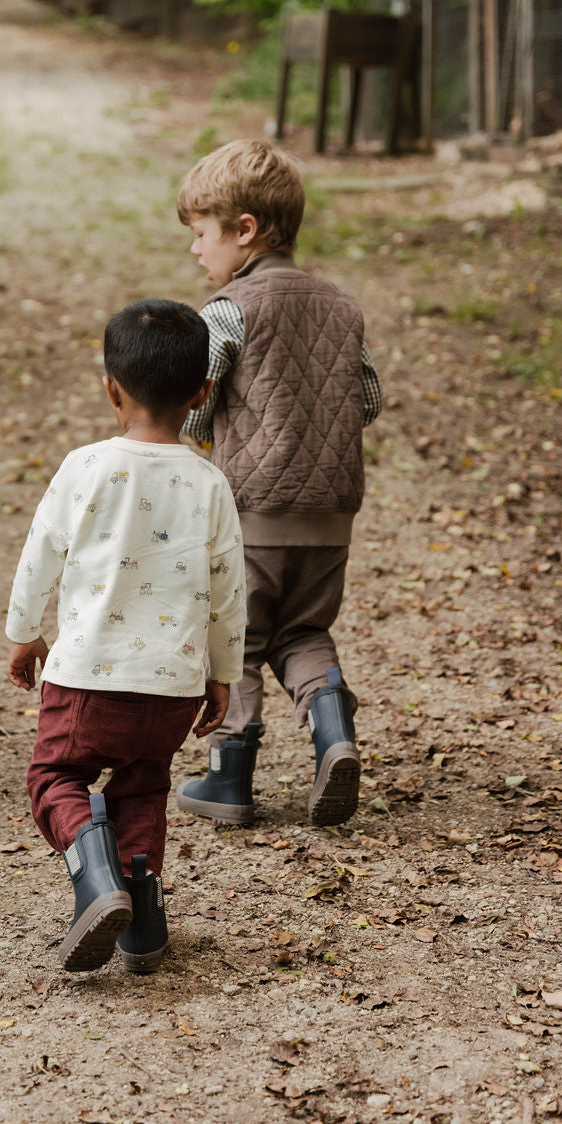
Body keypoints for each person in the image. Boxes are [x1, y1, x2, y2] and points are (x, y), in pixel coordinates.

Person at [5, 300, 245, 973]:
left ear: (110, 387)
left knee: (56, 775)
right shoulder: (210, 482)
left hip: (88, 679)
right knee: (142, 789)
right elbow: (229, 591)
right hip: (171, 689)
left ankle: (94, 872)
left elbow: (40, 555)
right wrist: (223, 675)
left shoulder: (85, 467)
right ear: (203, 394)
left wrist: (23, 633)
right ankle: (141, 922)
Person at [173, 139, 384, 829]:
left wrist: (203, 437)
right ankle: (332, 731)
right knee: (304, 630)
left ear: (245, 230)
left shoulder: (228, 309)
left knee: (236, 637)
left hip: (252, 511)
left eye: (203, 234)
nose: (198, 252)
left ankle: (229, 778)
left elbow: (197, 403)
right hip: (329, 517)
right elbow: (369, 400)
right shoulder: (342, 306)